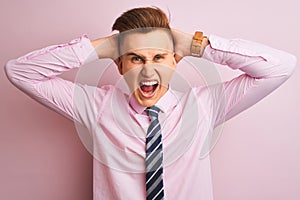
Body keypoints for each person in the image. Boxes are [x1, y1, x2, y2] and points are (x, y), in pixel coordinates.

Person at [5, 6, 296, 200]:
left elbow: (281, 66)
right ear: (120, 66)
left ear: (175, 61)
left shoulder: (205, 105)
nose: (148, 70)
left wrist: (196, 45)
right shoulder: (97, 106)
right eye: (136, 59)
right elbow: (20, 72)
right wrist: (108, 46)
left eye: (158, 57)